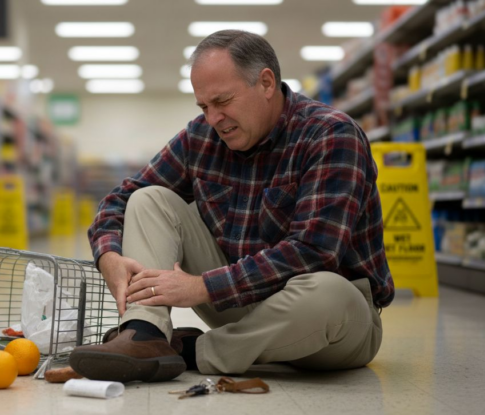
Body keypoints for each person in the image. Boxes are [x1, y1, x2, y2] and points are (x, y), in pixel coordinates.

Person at [68, 30, 394, 383]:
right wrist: (109, 258)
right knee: (150, 199)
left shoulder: (332, 135)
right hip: (239, 305)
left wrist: (200, 287)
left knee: (330, 294)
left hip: (324, 323)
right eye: (204, 107)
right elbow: (121, 198)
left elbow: (315, 251)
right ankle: (144, 335)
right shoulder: (202, 137)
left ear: (266, 83)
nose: (213, 119)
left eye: (223, 101)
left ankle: (192, 352)